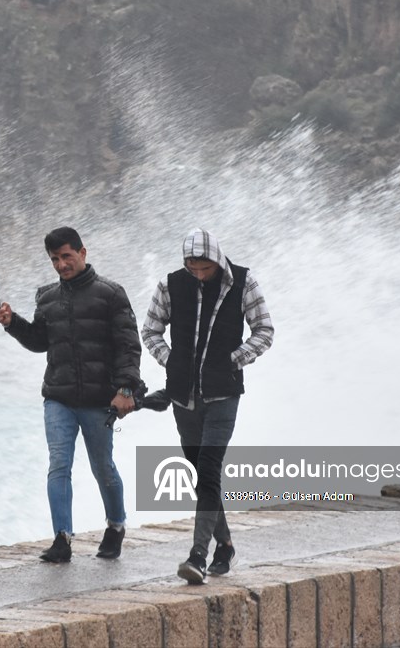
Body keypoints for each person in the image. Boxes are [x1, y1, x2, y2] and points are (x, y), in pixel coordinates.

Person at [0, 227, 143, 563]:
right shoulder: (46, 297)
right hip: (58, 397)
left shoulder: (111, 294)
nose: (61, 265)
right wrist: (11, 321)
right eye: (55, 259)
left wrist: (126, 389)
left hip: (99, 400)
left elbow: (129, 348)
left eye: (66, 257)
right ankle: (62, 538)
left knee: (102, 466)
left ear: (83, 253)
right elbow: (39, 342)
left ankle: (116, 526)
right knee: (59, 464)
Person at [140, 228, 274, 584]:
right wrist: (171, 361)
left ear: (216, 260)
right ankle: (225, 545)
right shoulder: (171, 285)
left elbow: (264, 330)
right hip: (183, 398)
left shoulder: (243, 282)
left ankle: (198, 556)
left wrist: (233, 360)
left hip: (224, 395)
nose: (198, 275)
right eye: (192, 268)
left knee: (210, 469)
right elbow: (150, 330)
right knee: (201, 475)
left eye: (204, 269)